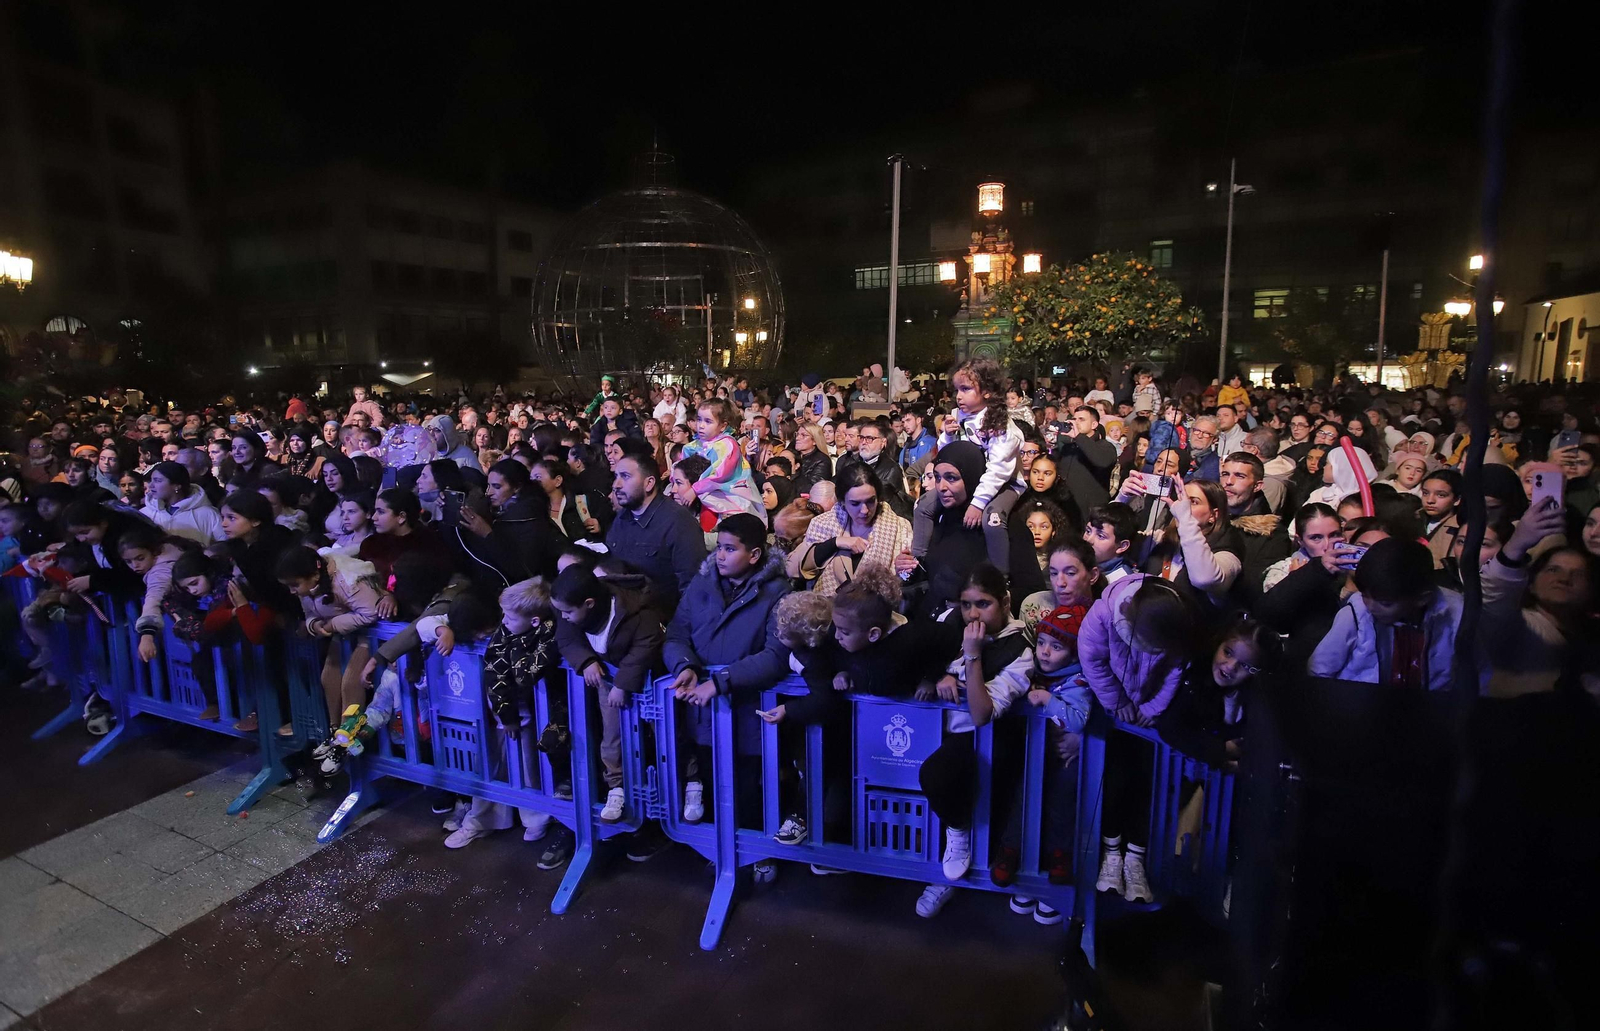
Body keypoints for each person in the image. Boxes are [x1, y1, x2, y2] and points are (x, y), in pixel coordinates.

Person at [913, 564, 1034, 917]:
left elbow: (982, 712)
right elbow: (914, 660)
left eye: (983, 604)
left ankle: (958, 834)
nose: (973, 614)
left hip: (983, 740)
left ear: (1005, 602)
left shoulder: (1019, 649)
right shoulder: (947, 623)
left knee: (940, 777)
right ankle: (937, 871)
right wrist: (937, 676)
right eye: (966, 604)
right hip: (930, 729)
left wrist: (972, 656)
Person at [665, 513, 791, 827]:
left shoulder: (778, 592)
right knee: (712, 790)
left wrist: (721, 681)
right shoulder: (702, 583)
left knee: (750, 796)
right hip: (703, 713)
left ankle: (755, 848)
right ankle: (716, 849)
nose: (720, 555)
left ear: (755, 554)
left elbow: (776, 656)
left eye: (730, 549)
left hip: (750, 714)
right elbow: (676, 635)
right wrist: (685, 666)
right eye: (719, 547)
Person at [1080, 575, 1194, 902]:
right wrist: (1117, 702)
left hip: (1151, 716)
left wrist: (1153, 708)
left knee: (1148, 784)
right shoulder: (1103, 615)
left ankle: (1135, 858)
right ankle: (1111, 855)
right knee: (1114, 780)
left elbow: (1177, 666)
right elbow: (1092, 659)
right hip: (1113, 713)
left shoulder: (1178, 614)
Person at [990, 604, 1094, 908]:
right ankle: (1010, 850)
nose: (1045, 652)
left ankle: (1058, 855)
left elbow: (1077, 719)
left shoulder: (1079, 682)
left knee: (1062, 799)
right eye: (1042, 643)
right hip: (1033, 753)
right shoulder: (1033, 670)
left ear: (1074, 654)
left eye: (1057, 647)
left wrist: (1048, 700)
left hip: (1063, 757)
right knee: (1022, 795)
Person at [550, 563, 666, 828]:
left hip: (651, 682)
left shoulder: (637, 609)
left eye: (568, 612)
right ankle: (616, 787)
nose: (563, 616)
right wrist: (586, 661)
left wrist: (623, 684)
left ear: (589, 604)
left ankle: (680, 784)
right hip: (607, 680)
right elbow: (566, 637)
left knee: (665, 735)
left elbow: (646, 645)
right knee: (611, 735)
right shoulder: (567, 608)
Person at [1309, 537, 1478, 691]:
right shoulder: (1355, 613)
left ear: (1422, 598)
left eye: (1385, 603)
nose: (1370, 606)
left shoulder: (1456, 613)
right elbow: (1320, 667)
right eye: (1365, 595)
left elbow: (1477, 672)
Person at [913, 358, 1023, 570]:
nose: (958, 396)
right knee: (923, 506)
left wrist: (978, 504)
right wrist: (947, 435)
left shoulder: (1001, 425)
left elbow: (998, 471)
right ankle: (919, 563)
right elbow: (948, 457)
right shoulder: (959, 415)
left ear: (987, 391)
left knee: (992, 520)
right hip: (969, 483)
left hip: (1005, 484)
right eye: (957, 390)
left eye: (965, 389)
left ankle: (1000, 577)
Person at [276, 544, 385, 726]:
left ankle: (348, 734)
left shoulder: (348, 580)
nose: (292, 591)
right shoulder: (308, 586)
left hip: (371, 634)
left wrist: (332, 624)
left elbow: (371, 613)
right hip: (344, 634)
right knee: (328, 679)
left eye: (294, 585)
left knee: (351, 683)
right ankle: (335, 730)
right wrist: (314, 624)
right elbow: (310, 613)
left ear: (315, 575)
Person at [790, 463, 913, 596]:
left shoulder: (900, 527)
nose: (864, 510)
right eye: (855, 503)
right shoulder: (822, 524)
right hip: (826, 606)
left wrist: (903, 572)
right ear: (842, 501)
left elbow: (905, 583)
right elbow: (795, 568)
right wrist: (835, 542)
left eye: (870, 501)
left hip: (877, 606)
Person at [603, 454, 707, 609]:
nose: (616, 485)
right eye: (616, 476)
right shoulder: (622, 516)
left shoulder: (679, 523)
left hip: (661, 617)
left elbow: (693, 590)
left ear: (649, 483)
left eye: (625, 476)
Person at [681, 398, 764, 521]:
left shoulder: (727, 444)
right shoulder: (692, 446)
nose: (701, 425)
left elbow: (720, 474)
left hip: (729, 500)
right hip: (700, 499)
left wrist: (695, 489)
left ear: (723, 426)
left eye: (708, 421)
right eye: (699, 419)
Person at [140, 461, 224, 545]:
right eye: (151, 480)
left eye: (157, 481)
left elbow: (223, 545)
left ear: (177, 485)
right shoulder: (144, 514)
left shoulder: (209, 514)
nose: (151, 485)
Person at [791, 423, 833, 496]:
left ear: (814, 441)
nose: (797, 438)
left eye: (803, 435)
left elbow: (814, 488)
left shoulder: (822, 461)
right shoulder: (792, 455)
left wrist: (794, 473)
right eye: (797, 434)